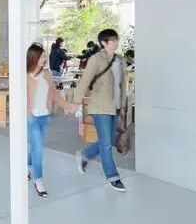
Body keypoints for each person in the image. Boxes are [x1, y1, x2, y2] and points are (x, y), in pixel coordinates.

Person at [73, 29, 128, 192]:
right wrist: (75, 102)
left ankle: (85, 155)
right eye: (113, 40)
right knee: (106, 144)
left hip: (115, 107)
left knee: (109, 140)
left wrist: (122, 105)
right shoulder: (96, 59)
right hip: (100, 106)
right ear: (104, 43)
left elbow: (123, 84)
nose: (116, 42)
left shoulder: (120, 60)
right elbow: (85, 81)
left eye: (116, 39)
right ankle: (113, 176)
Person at [27, 43, 76, 198]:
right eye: (41, 56)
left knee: (36, 146)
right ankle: (39, 182)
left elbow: (54, 94)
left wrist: (67, 105)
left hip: (45, 116)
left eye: (44, 56)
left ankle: (26, 166)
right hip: (32, 118)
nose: (44, 59)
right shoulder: (25, 76)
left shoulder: (47, 74)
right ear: (33, 57)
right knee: (38, 149)